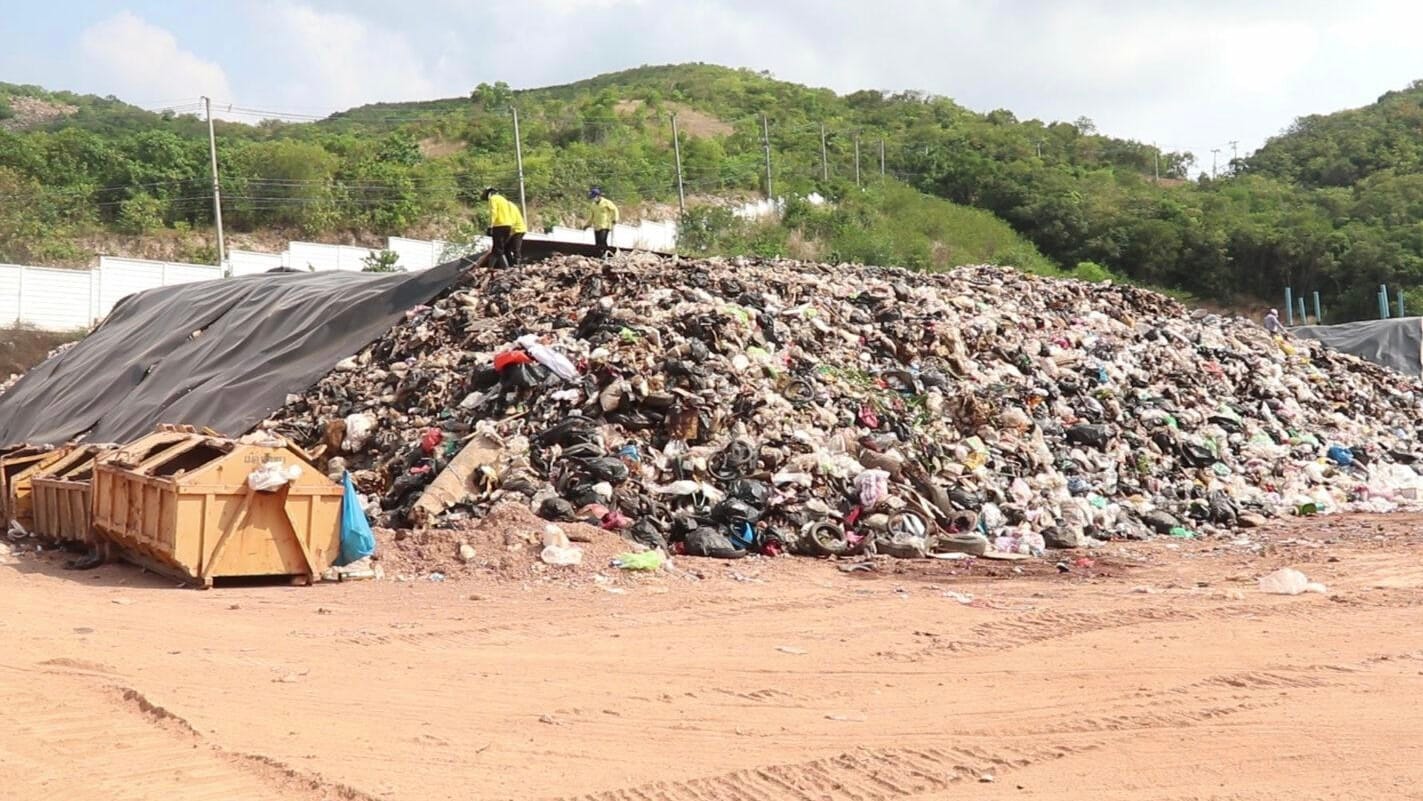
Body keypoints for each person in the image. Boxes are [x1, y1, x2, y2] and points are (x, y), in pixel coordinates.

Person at [482, 187, 525, 267]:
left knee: (499, 249)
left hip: (503, 226)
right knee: (502, 248)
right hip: (509, 227)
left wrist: (490, 226)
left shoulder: (493, 199)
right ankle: (510, 266)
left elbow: (493, 212)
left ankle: (504, 268)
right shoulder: (504, 201)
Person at [586, 187, 619, 257]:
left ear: (598, 196)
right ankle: (604, 255)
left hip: (605, 225)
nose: (593, 199)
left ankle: (606, 255)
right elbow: (591, 217)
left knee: (602, 241)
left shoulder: (606, 202)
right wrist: (587, 225)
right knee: (598, 243)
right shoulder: (593, 205)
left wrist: (615, 219)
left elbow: (615, 210)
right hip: (596, 226)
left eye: (594, 197)